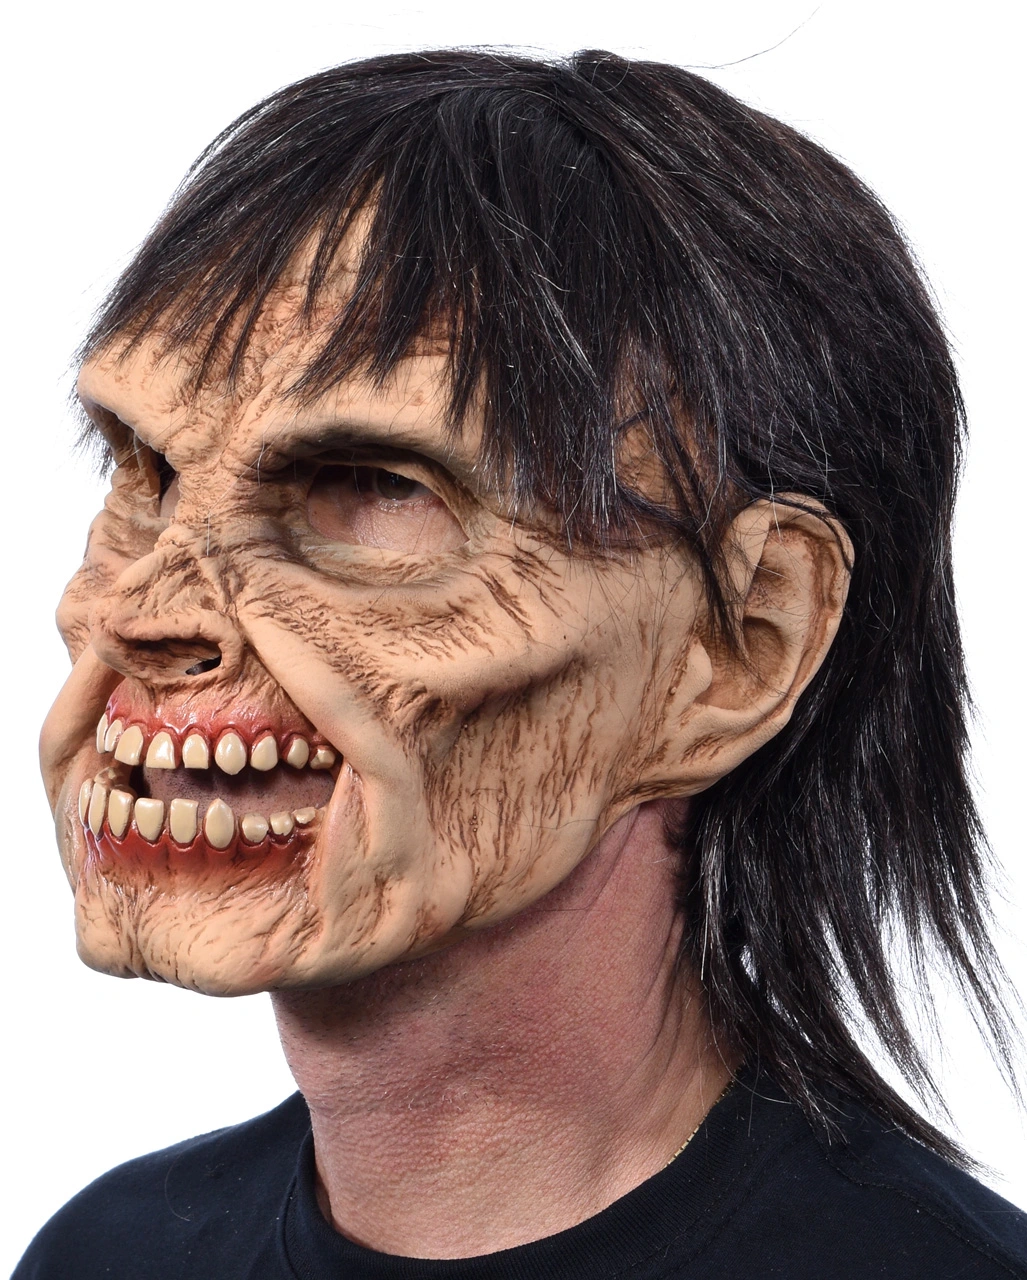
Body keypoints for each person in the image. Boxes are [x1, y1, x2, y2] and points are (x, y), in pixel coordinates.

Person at [17, 47, 1027, 1279]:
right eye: (149, 472)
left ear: (737, 644)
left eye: (376, 487)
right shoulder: (111, 1252)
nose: (141, 614)